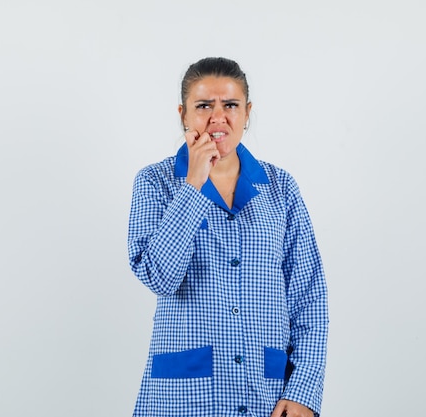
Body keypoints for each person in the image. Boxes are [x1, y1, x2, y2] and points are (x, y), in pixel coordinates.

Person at [127, 57, 328, 417]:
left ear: (247, 113)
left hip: (266, 394)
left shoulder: (281, 188)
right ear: (183, 115)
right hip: (185, 398)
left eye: (230, 105)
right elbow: (160, 277)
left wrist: (303, 390)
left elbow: (309, 297)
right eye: (203, 106)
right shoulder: (155, 183)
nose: (217, 118)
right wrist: (193, 186)